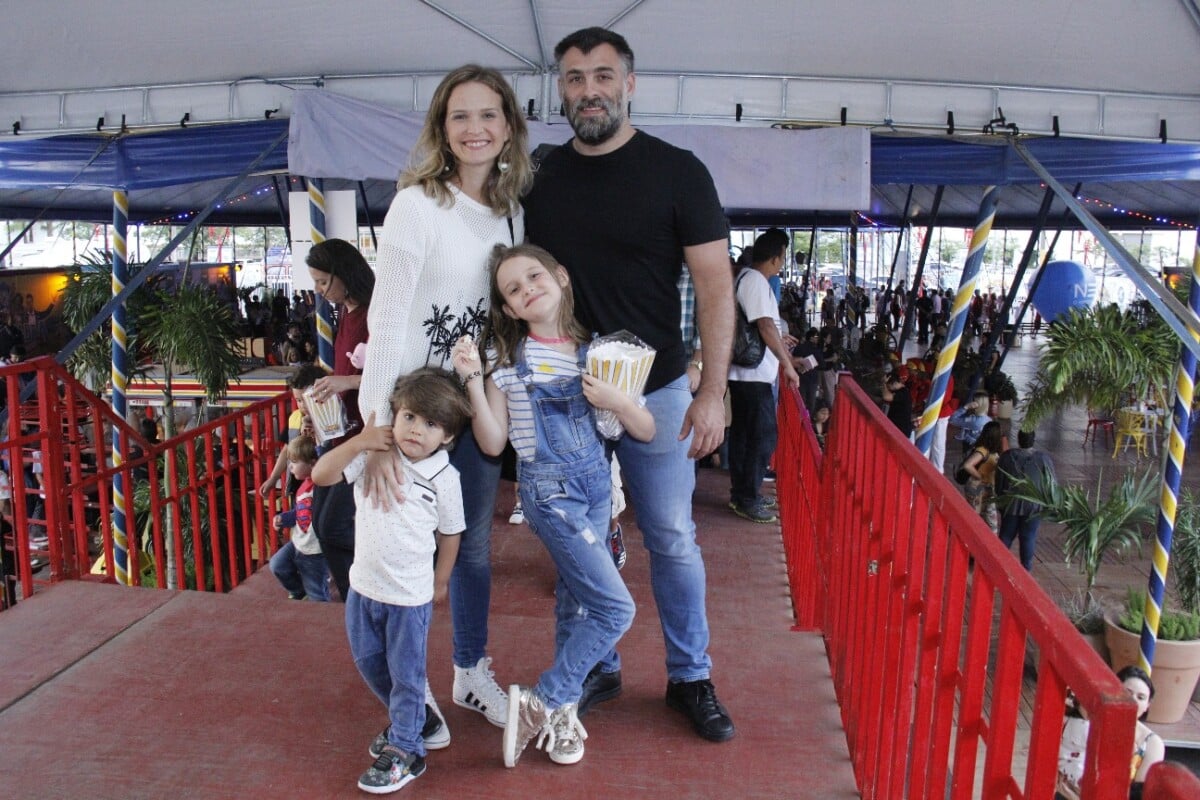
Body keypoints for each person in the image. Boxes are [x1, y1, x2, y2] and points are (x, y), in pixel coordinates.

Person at [523, 26, 736, 743]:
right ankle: (592, 665)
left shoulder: (678, 172)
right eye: (576, 78)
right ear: (561, 89)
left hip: (659, 389)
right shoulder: (541, 178)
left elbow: (715, 287)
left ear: (631, 83)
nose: (589, 90)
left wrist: (715, 391)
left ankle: (691, 675)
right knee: (578, 537)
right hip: (564, 394)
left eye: (603, 76)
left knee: (672, 535)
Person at [356, 64, 533, 728]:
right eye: (460, 115)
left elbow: (502, 320)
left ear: (508, 125)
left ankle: (469, 671)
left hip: (473, 408)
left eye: (489, 114)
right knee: (403, 556)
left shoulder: (511, 214)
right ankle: (409, 687)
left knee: (472, 549)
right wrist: (375, 432)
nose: (476, 128)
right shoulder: (416, 204)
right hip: (411, 419)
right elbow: (387, 320)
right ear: (441, 126)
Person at [451, 243, 649, 767]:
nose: (526, 289)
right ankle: (547, 697)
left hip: (598, 491)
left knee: (577, 602)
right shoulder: (508, 363)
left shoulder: (603, 354)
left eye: (533, 276)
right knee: (616, 607)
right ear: (510, 310)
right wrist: (473, 379)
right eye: (513, 290)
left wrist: (620, 402)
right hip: (548, 492)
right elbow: (494, 443)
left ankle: (561, 718)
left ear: (560, 276)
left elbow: (644, 428)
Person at [312, 368, 469, 795]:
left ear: (448, 437)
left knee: (405, 673)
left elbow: (451, 532)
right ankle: (418, 719)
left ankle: (407, 748)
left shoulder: (445, 478)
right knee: (368, 662)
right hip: (363, 586)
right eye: (410, 417)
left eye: (432, 424)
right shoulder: (371, 456)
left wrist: (441, 580)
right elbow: (321, 475)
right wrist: (361, 441)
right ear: (395, 416)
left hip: (409, 597)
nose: (417, 430)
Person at [304, 239, 373, 603]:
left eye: (323, 281)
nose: (319, 289)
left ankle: (361, 589)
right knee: (321, 523)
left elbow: (396, 375)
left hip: (364, 436)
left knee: (331, 526)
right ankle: (356, 591)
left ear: (344, 274)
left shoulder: (376, 312)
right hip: (342, 434)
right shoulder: (346, 312)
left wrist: (345, 381)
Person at [728, 228, 801, 523]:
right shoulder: (756, 281)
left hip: (748, 374)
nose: (782, 264)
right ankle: (747, 498)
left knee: (746, 436)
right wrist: (788, 364)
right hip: (753, 376)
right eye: (783, 257)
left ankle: (745, 494)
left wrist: (781, 344)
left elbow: (766, 328)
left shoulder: (746, 278)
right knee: (761, 438)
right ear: (775, 257)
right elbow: (765, 326)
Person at [1056, 665, 1164, 800]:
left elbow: (1140, 794)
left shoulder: (1152, 743)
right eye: (1128, 692)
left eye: (1141, 697)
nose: (1133, 700)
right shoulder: (1089, 721)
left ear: (1147, 705)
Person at [267, 435, 330, 601]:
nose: (290, 466)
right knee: (277, 565)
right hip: (299, 542)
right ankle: (298, 590)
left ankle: (323, 619)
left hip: (315, 551)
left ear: (312, 463)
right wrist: (284, 519)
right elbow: (300, 512)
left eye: (294, 462)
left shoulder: (321, 486)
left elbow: (324, 455)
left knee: (317, 593)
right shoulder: (303, 486)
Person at [258, 364, 325, 503]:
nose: (302, 405)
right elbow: (286, 451)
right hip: (299, 486)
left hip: (322, 485)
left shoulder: (329, 417)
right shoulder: (295, 418)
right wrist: (273, 478)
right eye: (299, 400)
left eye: (307, 399)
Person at [994, 429, 1056, 571]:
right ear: (1033, 440)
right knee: (1028, 537)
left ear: (1018, 439)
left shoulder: (1007, 457)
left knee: (1005, 536)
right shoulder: (1043, 459)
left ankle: (996, 566)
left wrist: (1001, 500)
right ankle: (1026, 571)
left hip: (1011, 503)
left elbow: (999, 480)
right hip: (1034, 506)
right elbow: (1052, 484)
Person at [961, 420, 1003, 531]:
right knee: (974, 518)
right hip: (978, 488)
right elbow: (968, 465)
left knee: (990, 519)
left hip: (988, 489)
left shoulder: (993, 451)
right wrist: (980, 476)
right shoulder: (982, 451)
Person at [950, 389, 993, 455]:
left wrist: (965, 407)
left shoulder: (973, 421)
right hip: (982, 449)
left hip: (971, 448)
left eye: (973, 400)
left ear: (976, 404)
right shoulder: (989, 419)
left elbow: (952, 419)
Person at [881, 365, 913, 439]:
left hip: (901, 431)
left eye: (889, 385)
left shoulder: (903, 393)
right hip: (895, 429)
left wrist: (884, 383)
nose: (888, 387)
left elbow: (886, 396)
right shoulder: (899, 392)